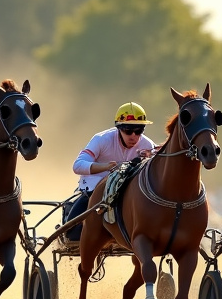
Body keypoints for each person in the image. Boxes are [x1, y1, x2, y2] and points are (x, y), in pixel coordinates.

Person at [64, 102, 157, 238]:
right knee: (70, 233)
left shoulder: (147, 145)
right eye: (128, 130)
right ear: (118, 128)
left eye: (139, 131)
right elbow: (77, 165)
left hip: (129, 193)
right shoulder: (102, 139)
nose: (133, 136)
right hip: (95, 191)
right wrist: (107, 167)